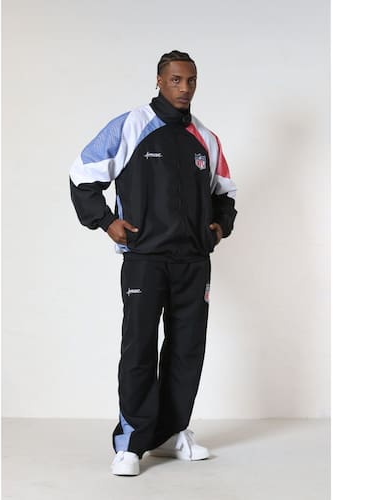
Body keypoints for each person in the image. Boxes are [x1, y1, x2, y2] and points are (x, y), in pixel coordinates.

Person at [69, 50, 237, 476]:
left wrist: (218, 228)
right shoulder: (130, 125)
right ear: (160, 81)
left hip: (193, 262)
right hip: (145, 259)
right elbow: (82, 173)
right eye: (176, 80)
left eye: (191, 80)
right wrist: (106, 221)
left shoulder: (206, 137)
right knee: (139, 348)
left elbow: (225, 193)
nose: (185, 88)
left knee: (187, 349)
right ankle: (131, 442)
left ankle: (171, 432)